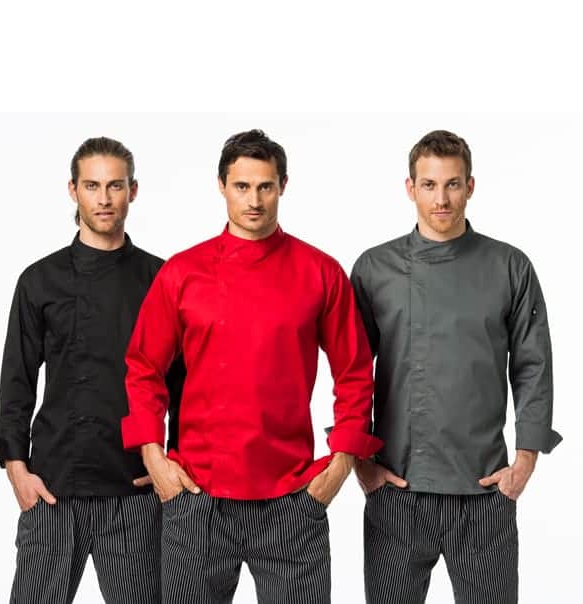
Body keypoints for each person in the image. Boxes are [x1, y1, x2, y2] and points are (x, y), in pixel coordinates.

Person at [121, 129, 382, 604]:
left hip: (292, 499)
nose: (254, 200)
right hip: (197, 496)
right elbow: (143, 367)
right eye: (242, 186)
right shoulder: (182, 272)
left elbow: (355, 371)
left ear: (283, 186)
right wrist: (153, 457)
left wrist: (341, 462)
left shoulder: (321, 272)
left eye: (265, 186)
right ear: (221, 186)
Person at [351, 129, 562, 604]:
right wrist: (360, 459)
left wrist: (526, 458)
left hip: (484, 491)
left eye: (452, 184)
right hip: (398, 491)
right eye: (429, 185)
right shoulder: (373, 268)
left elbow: (533, 364)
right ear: (410, 188)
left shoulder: (510, 266)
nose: (441, 199)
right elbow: (352, 371)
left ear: (470, 186)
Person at [0, 136, 182, 604]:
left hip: (134, 492)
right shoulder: (39, 280)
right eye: (92, 186)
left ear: (133, 191)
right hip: (52, 488)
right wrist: (16, 469)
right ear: (73, 190)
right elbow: (16, 381)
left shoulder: (160, 279)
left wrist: (172, 459)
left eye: (115, 186)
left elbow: (183, 383)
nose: (104, 198)